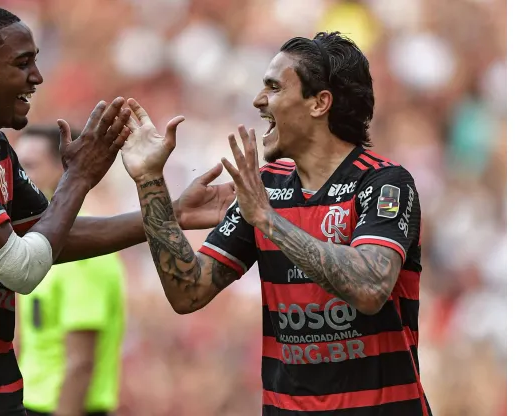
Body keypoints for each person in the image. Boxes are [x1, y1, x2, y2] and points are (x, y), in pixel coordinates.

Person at [0, 6, 234, 416]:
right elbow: (23, 269)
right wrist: (77, 178)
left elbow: (50, 236)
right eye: (22, 63)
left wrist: (168, 215)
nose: (37, 77)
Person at [120, 32, 432, 415]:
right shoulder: (267, 186)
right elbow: (187, 292)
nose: (258, 100)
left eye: (273, 87)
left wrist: (268, 221)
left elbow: (369, 288)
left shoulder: (385, 183)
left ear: (320, 103)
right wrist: (150, 180)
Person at [13, 125, 126, 416]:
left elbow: (80, 363)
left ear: (64, 172)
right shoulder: (38, 241)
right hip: (31, 402)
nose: (17, 178)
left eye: (29, 166)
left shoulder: (83, 251)